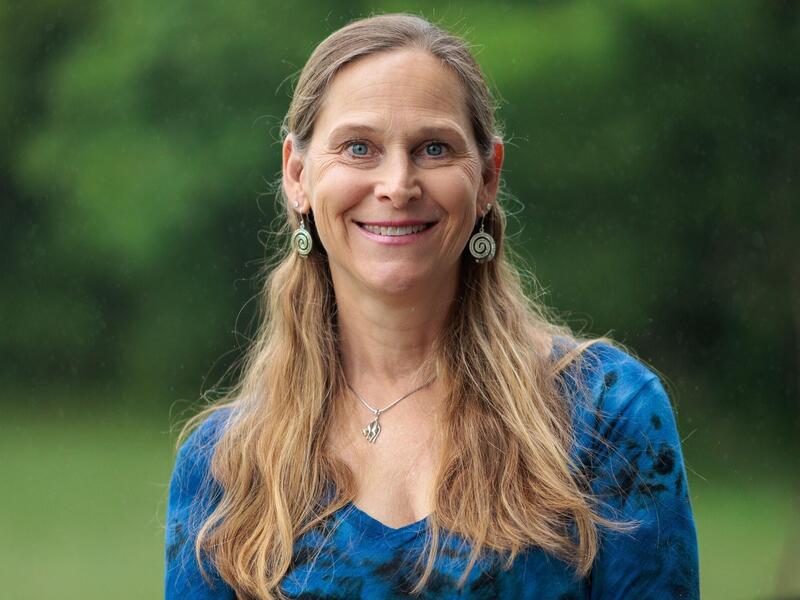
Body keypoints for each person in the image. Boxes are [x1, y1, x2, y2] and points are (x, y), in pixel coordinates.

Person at [165, 13, 699, 600]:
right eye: (359, 147)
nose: (398, 184)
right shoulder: (226, 468)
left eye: (434, 148)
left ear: (488, 176)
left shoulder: (607, 415)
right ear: (297, 174)